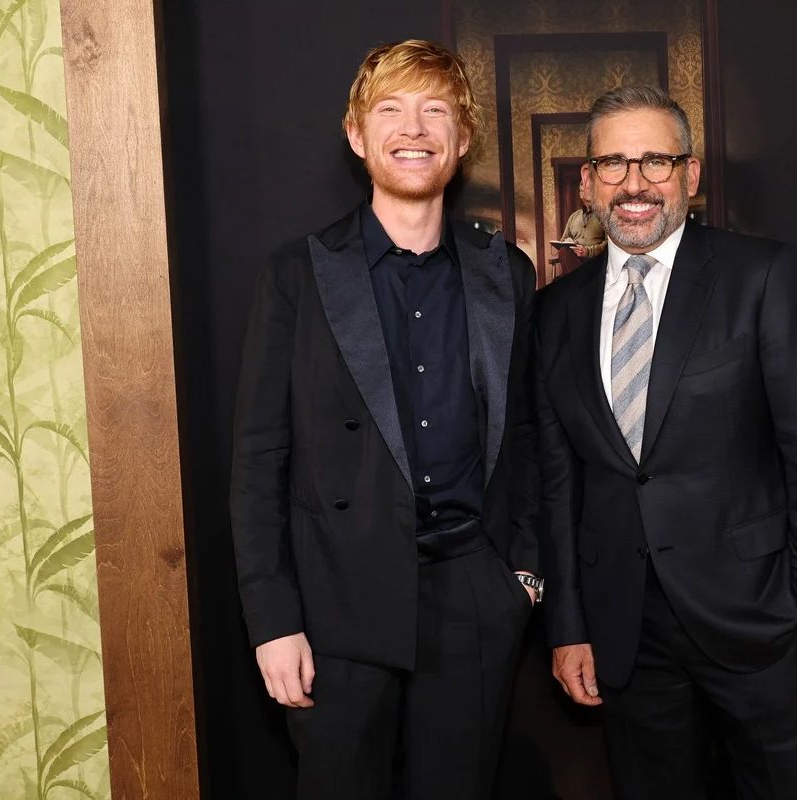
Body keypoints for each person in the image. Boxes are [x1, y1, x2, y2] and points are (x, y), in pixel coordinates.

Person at [230, 39, 541, 799]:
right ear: (356, 135)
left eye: (436, 110)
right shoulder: (298, 274)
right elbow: (258, 457)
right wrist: (273, 619)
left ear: (462, 141)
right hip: (335, 606)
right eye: (391, 110)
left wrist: (522, 579)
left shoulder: (508, 272)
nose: (414, 128)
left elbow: (531, 436)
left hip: (471, 596)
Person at [534, 85, 797, 800]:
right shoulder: (555, 312)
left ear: (692, 174)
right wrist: (568, 624)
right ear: (587, 183)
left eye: (656, 160)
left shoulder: (764, 277)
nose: (635, 183)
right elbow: (559, 482)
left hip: (760, 618)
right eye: (613, 164)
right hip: (624, 631)